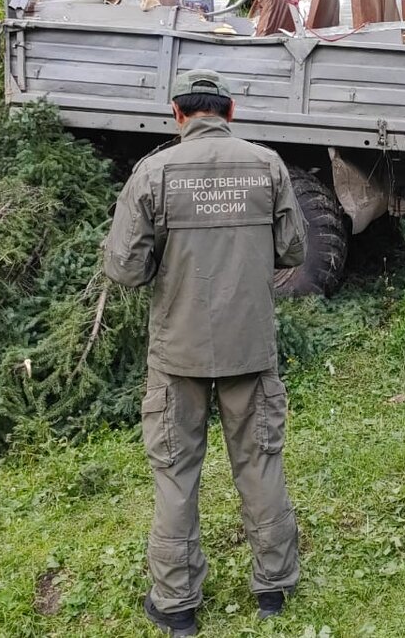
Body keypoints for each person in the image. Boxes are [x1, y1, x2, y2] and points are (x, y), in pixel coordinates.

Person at [104, 69, 307, 636]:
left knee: (175, 474)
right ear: (230, 112)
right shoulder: (267, 165)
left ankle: (176, 605)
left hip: (177, 352)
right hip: (250, 346)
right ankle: (274, 588)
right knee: (260, 463)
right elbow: (293, 247)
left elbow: (124, 269)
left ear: (177, 115)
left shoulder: (152, 173)